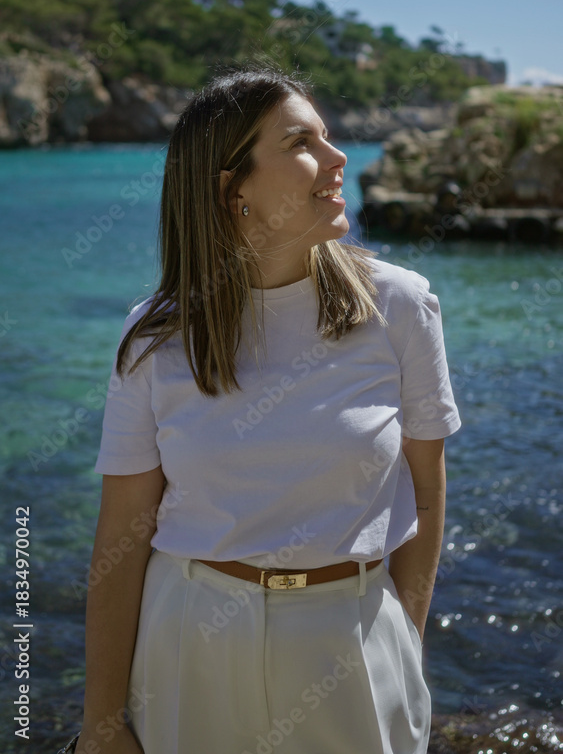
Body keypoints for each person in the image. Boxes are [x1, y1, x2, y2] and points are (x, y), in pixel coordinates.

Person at [75, 67, 461, 754]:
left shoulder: (401, 306)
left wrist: (403, 635)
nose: (339, 158)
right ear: (234, 190)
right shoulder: (155, 335)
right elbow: (122, 537)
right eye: (300, 142)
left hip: (354, 646)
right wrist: (102, 719)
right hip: (188, 647)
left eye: (326, 136)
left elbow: (425, 492)